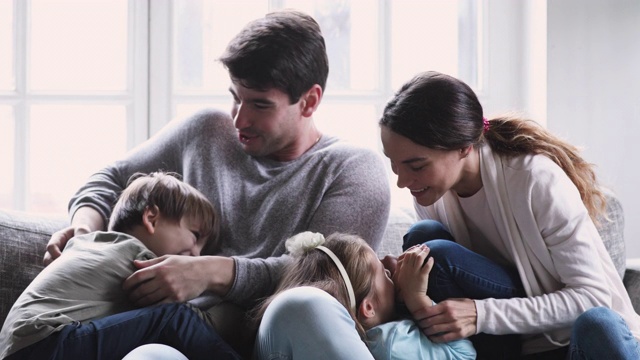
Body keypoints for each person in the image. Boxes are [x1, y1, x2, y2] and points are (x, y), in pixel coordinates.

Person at [42, 9, 390, 356]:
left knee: (303, 305)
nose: (239, 117)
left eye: (259, 104)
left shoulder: (352, 170)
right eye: (235, 97)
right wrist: (84, 231)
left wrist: (212, 272)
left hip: (270, 342)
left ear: (309, 101)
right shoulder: (205, 131)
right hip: (170, 336)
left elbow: (324, 276)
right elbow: (111, 178)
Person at [378, 70, 640, 359]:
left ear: (464, 147)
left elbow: (593, 298)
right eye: (395, 164)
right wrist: (401, 287)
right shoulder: (431, 193)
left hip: (578, 341)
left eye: (416, 166)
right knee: (423, 240)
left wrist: (481, 314)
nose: (402, 181)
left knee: (598, 323)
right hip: (515, 343)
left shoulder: (534, 180)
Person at [0, 172, 240, 360]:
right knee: (176, 319)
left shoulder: (92, 244)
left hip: (25, 347)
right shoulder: (134, 255)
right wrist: (241, 309)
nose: (196, 255)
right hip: (47, 343)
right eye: (195, 235)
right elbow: (196, 323)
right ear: (151, 219)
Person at [252, 231, 477, 360]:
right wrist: (417, 300)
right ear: (368, 308)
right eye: (385, 274)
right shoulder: (392, 340)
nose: (391, 263)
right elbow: (465, 355)